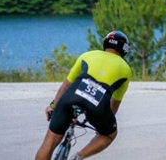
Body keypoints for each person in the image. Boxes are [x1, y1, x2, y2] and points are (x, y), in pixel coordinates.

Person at [35, 31, 133, 160]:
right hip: (97, 107)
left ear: (105, 44)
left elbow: (64, 87)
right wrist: (102, 126)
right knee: (109, 135)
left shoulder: (87, 55)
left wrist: (53, 106)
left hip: (70, 98)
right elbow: (114, 105)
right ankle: (79, 157)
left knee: (49, 143)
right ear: (124, 50)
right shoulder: (126, 69)